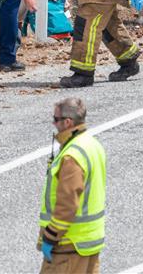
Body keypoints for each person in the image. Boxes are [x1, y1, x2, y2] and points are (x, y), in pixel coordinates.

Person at [38, 98, 106, 274]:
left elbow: (68, 203)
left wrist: (51, 235)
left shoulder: (72, 156)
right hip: (89, 242)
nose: (53, 123)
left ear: (67, 122)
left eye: (56, 118)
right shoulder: (92, 145)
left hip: (68, 245)